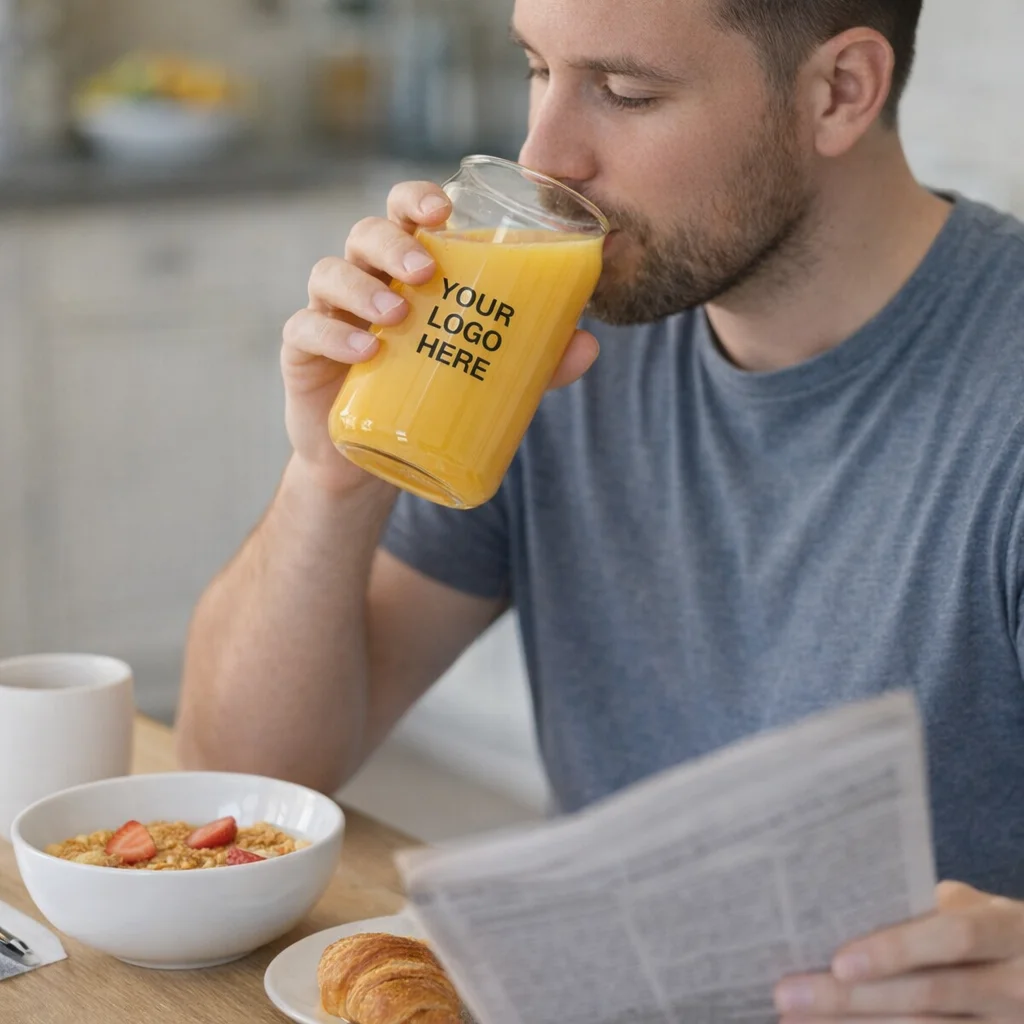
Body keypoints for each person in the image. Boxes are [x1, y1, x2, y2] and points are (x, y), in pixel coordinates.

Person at [176, 0, 1024, 1016]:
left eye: (626, 92)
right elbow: (241, 780)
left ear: (838, 92)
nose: (543, 154)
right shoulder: (543, 338)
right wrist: (330, 479)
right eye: (537, 69)